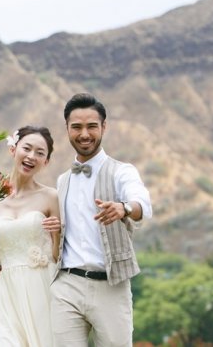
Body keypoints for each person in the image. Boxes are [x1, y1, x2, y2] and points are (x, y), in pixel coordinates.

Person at [41, 93, 153, 346]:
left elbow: (142, 204)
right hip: (66, 286)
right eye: (76, 127)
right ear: (67, 129)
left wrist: (124, 208)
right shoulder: (62, 180)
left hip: (110, 286)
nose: (84, 134)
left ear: (104, 127)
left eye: (92, 126)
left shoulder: (122, 171)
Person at [0, 125, 60, 347]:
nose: (31, 156)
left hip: (44, 286)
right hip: (9, 289)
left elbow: (58, 255)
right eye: (26, 148)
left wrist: (57, 233)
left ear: (46, 162)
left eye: (40, 153)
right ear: (13, 149)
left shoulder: (51, 197)